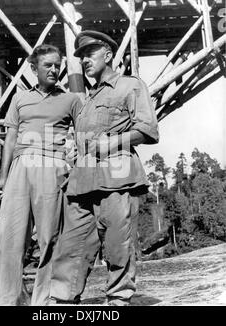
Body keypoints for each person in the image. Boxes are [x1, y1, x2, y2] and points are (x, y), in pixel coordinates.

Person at [49, 30, 159, 306]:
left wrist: (109, 144)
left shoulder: (129, 86)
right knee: (71, 248)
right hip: (82, 182)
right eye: (81, 56)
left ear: (108, 55)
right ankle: (62, 302)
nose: (84, 60)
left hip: (117, 178)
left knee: (117, 245)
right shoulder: (86, 99)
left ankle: (118, 301)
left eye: (90, 53)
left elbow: (148, 130)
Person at [0, 44, 82, 306]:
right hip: (20, 167)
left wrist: (74, 169)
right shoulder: (19, 98)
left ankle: (44, 301)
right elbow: (9, 138)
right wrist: (3, 176)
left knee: (49, 237)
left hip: (52, 167)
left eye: (57, 65)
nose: (54, 69)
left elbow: (85, 134)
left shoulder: (71, 100)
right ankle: (8, 299)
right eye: (48, 65)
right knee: (10, 236)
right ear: (34, 69)